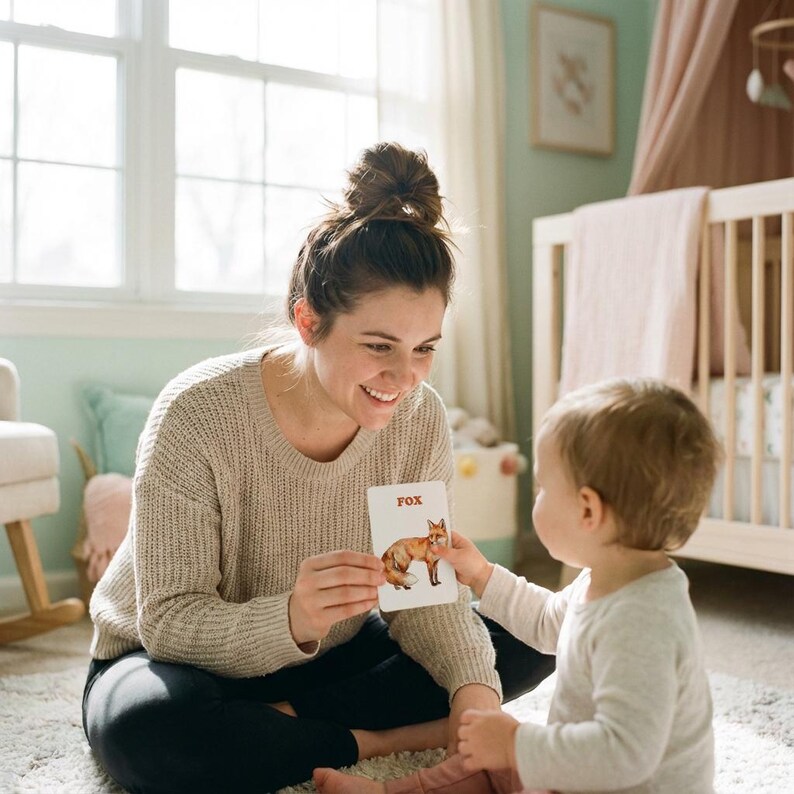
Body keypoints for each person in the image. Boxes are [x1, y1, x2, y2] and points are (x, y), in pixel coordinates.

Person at [81, 142, 554, 793]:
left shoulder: (418, 419)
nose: (404, 378)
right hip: (174, 661)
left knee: (532, 633)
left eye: (425, 350)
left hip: (329, 658)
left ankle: (284, 728)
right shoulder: (196, 415)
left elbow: (418, 597)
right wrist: (293, 619)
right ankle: (377, 739)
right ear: (307, 321)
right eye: (379, 347)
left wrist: (476, 705)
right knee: (149, 732)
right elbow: (170, 624)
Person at [314, 377, 722, 794]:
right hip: (581, 775)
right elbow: (548, 623)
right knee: (483, 762)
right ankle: (392, 791)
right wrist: (482, 576)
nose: (536, 497)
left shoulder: (642, 624)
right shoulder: (610, 578)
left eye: (544, 487)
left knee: (500, 754)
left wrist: (515, 744)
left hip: (619, 781)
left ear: (588, 510)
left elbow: (625, 755)